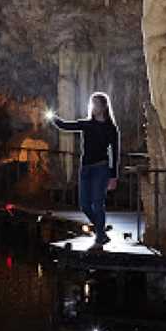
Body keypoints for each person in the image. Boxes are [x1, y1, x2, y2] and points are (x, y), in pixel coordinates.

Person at [51, 92, 120, 246]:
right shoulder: (87, 124)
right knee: (84, 205)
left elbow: (115, 153)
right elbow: (65, 125)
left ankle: (100, 235)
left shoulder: (111, 128)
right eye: (91, 103)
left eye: (96, 103)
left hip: (101, 168)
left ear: (104, 106)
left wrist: (113, 175)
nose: (93, 106)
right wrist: (51, 117)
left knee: (97, 203)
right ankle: (101, 231)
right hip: (86, 168)